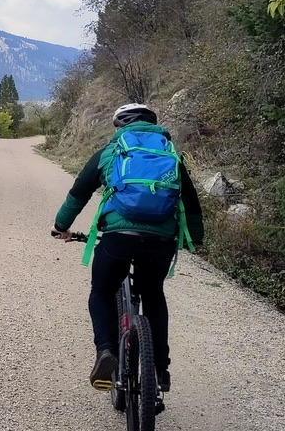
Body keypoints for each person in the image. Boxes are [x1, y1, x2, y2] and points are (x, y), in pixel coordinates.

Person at [50, 103, 204, 393]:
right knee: (153, 293)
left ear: (120, 127)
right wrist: (196, 238)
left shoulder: (111, 153)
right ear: (153, 126)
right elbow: (192, 203)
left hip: (118, 237)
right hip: (161, 241)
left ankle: (106, 351)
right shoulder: (170, 155)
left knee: (102, 291)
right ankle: (160, 369)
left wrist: (61, 226)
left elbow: (78, 193)